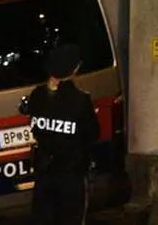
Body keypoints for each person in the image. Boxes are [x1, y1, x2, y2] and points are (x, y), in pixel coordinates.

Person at [19, 43, 100, 225]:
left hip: (44, 171)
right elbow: (92, 134)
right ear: (74, 69)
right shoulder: (80, 100)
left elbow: (33, 120)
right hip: (71, 173)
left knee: (44, 217)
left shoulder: (38, 95)